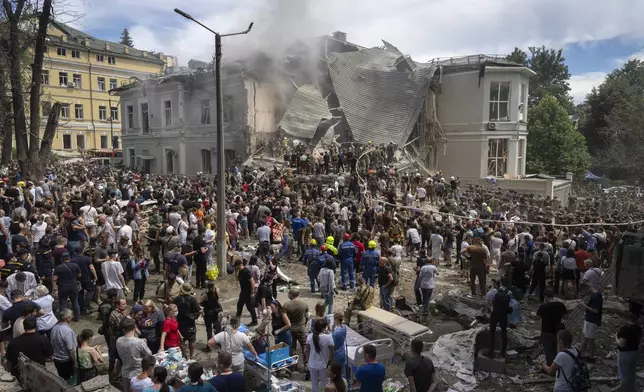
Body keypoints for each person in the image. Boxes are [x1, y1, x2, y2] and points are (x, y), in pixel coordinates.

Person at [116, 318, 153, 392]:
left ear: (124, 329)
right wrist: (144, 344)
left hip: (125, 373)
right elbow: (149, 354)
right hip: (138, 374)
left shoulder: (118, 340)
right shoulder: (139, 342)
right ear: (135, 328)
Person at [537, 288, 568, 366]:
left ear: (546, 296)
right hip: (557, 330)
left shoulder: (543, 306)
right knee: (556, 349)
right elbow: (566, 317)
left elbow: (538, 317)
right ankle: (557, 364)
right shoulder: (561, 305)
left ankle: (550, 367)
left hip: (546, 331)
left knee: (548, 350)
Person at [614, 314, 642, 392]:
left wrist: (616, 337)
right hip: (635, 352)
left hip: (625, 354)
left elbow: (621, 344)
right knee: (632, 373)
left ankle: (624, 389)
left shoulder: (625, 329)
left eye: (621, 317)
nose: (620, 319)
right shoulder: (638, 328)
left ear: (626, 318)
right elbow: (639, 341)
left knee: (624, 374)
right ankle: (632, 389)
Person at [485, 276, 511, 359]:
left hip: (495, 314)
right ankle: (502, 352)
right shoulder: (509, 292)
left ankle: (490, 352)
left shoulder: (495, 291)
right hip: (504, 315)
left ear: (500, 283)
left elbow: (487, 297)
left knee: (492, 332)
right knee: (504, 333)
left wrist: (492, 288)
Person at [306, 318, 335, 392]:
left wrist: (308, 361)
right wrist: (331, 363)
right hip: (324, 365)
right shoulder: (328, 337)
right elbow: (332, 352)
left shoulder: (310, 336)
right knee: (326, 384)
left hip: (312, 364)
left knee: (314, 385)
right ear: (323, 328)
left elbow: (307, 350)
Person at [173, 283, 200, 359]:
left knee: (182, 341)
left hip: (180, 323)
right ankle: (192, 355)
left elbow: (172, 307)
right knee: (192, 340)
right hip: (190, 323)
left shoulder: (177, 299)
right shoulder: (192, 299)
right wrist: (194, 317)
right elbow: (198, 310)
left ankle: (185, 356)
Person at [283, 288, 309, 365]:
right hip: (301, 328)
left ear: (291, 294)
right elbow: (307, 316)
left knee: (292, 347)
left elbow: (284, 319)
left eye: (288, 293)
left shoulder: (286, 305)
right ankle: (306, 364)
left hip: (291, 329)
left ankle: (294, 365)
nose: (288, 295)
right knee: (304, 346)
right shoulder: (304, 303)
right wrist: (304, 324)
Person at [53, 251, 82, 322]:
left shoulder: (58, 267)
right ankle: (77, 317)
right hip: (73, 286)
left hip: (62, 287)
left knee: (63, 303)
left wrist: (54, 286)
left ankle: (63, 318)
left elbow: (54, 279)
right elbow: (79, 275)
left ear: (61, 259)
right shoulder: (75, 265)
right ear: (69, 258)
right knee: (75, 302)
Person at [50, 309, 78, 382]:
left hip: (57, 360)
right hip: (66, 361)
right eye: (71, 316)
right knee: (69, 380)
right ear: (67, 318)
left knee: (63, 378)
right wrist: (75, 362)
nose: (72, 317)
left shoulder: (54, 328)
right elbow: (71, 349)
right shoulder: (67, 331)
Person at [579, 282, 602, 362]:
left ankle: (591, 357)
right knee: (585, 338)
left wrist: (584, 306)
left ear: (586, 288)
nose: (585, 293)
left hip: (592, 320)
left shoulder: (596, 296)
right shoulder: (593, 295)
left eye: (584, 291)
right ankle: (580, 353)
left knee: (590, 340)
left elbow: (596, 310)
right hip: (589, 319)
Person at [234, 259, 257, 327]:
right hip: (243, 292)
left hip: (248, 292)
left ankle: (254, 321)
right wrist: (236, 272)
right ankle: (237, 322)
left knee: (250, 307)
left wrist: (252, 293)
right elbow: (237, 279)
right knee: (239, 306)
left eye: (236, 266)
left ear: (240, 265)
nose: (235, 267)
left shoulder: (246, 271)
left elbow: (252, 282)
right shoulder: (240, 271)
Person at [199, 281, 222, 351]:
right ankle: (219, 343)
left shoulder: (205, 294)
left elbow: (200, 302)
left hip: (208, 313)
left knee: (209, 329)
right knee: (217, 327)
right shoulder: (217, 291)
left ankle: (209, 346)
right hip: (215, 312)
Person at [331, 313, 347, 380]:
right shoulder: (344, 327)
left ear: (336, 320)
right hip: (342, 351)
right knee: (342, 371)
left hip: (336, 353)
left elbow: (333, 344)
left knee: (336, 372)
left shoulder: (335, 333)